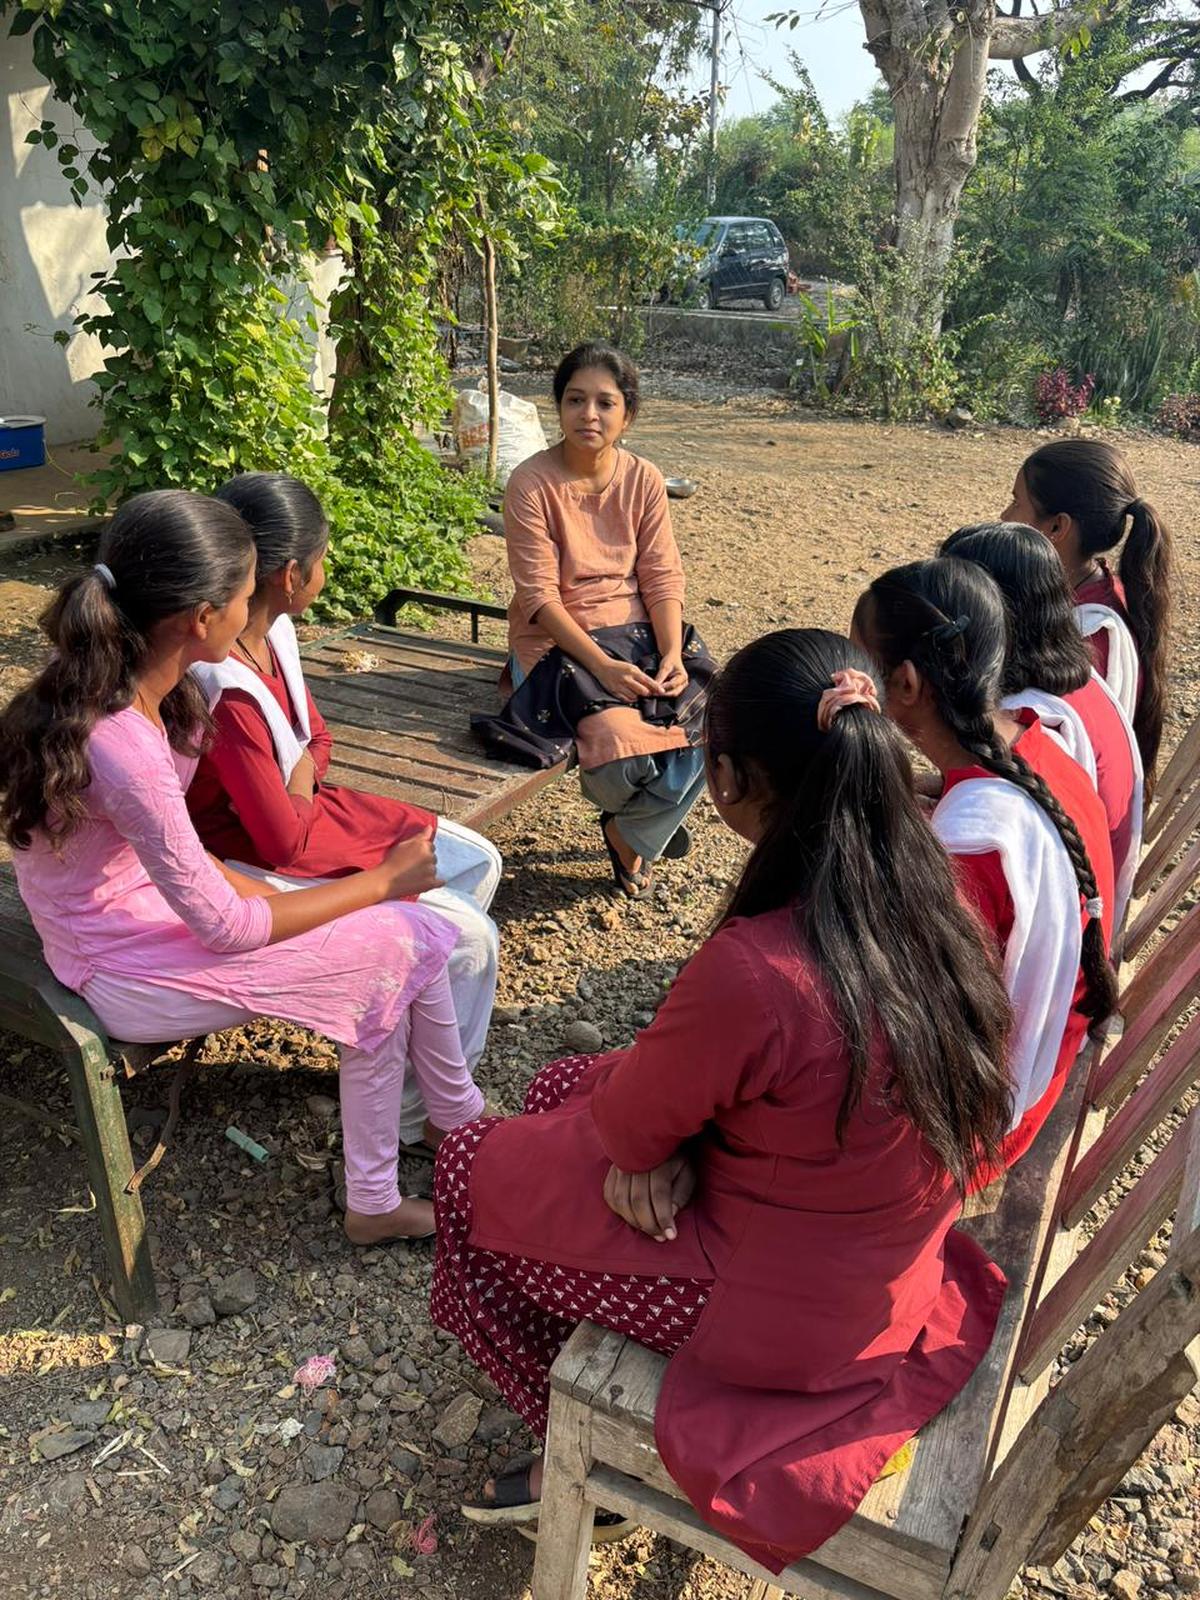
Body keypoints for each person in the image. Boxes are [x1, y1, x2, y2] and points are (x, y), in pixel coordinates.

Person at [431, 628, 1014, 1575]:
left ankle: (572, 1446)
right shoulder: (933, 893)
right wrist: (656, 1145)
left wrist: (649, 1149)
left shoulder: (763, 968)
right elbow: (695, 1103)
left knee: (466, 1165)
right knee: (557, 1085)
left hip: (780, 1316)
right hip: (869, 1265)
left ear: (732, 782)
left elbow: (630, 1126)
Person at [0, 490, 487, 1245]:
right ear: (201, 618)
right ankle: (409, 1171)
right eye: (244, 591)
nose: (256, 607)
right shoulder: (124, 741)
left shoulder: (133, 683)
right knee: (399, 938)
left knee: (402, 938)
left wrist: (355, 897)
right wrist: (378, 883)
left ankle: (443, 1138)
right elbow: (225, 928)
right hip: (116, 967)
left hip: (143, 914)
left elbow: (170, 856)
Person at [186, 472, 501, 1152]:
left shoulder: (276, 634)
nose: (326, 571)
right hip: (245, 852)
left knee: (478, 859)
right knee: (472, 938)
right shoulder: (226, 682)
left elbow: (314, 740)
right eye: (323, 559)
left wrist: (296, 771)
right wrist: (298, 773)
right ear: (292, 574)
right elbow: (278, 836)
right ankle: (418, 1117)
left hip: (295, 817)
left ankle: (415, 1066)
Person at [853, 557, 1117, 1172]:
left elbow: (914, 1026)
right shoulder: (1037, 737)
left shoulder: (972, 848)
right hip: (1054, 1043)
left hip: (989, 1121)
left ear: (908, 685)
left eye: (862, 667)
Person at [494, 341, 708, 899]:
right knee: (619, 755)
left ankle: (630, 832)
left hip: (638, 638)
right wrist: (604, 668)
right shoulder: (531, 484)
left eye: (605, 403)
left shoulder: (642, 479)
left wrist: (668, 654)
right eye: (575, 399)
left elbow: (662, 577)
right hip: (560, 647)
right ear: (558, 408)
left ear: (627, 413)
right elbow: (538, 598)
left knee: (716, 724)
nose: (589, 414)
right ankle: (640, 825)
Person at [941, 523, 1142, 931]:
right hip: (1094, 911)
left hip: (1073, 931)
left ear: (988, 617)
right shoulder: (1077, 678)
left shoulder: (1030, 722)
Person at [1003, 439, 1171, 784]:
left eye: (1017, 502)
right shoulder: (1100, 592)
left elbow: (1044, 763)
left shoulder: (1089, 638)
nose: (1004, 516)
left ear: (1056, 528)